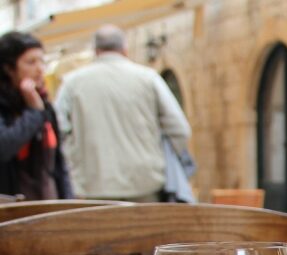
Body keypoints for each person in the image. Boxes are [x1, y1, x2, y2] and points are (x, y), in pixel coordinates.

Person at [55, 25, 190, 202]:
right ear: (125, 49)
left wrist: (75, 165)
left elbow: (58, 130)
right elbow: (180, 129)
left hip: (93, 186)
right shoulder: (148, 78)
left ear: (95, 50)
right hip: (145, 182)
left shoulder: (72, 83)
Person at [0, 31, 72, 200]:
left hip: (47, 201)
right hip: (11, 208)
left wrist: (68, 202)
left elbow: (58, 165)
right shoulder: (8, 106)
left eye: (42, 61)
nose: (40, 69)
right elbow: (4, 147)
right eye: (31, 62)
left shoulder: (44, 104)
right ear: (9, 68)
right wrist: (34, 112)